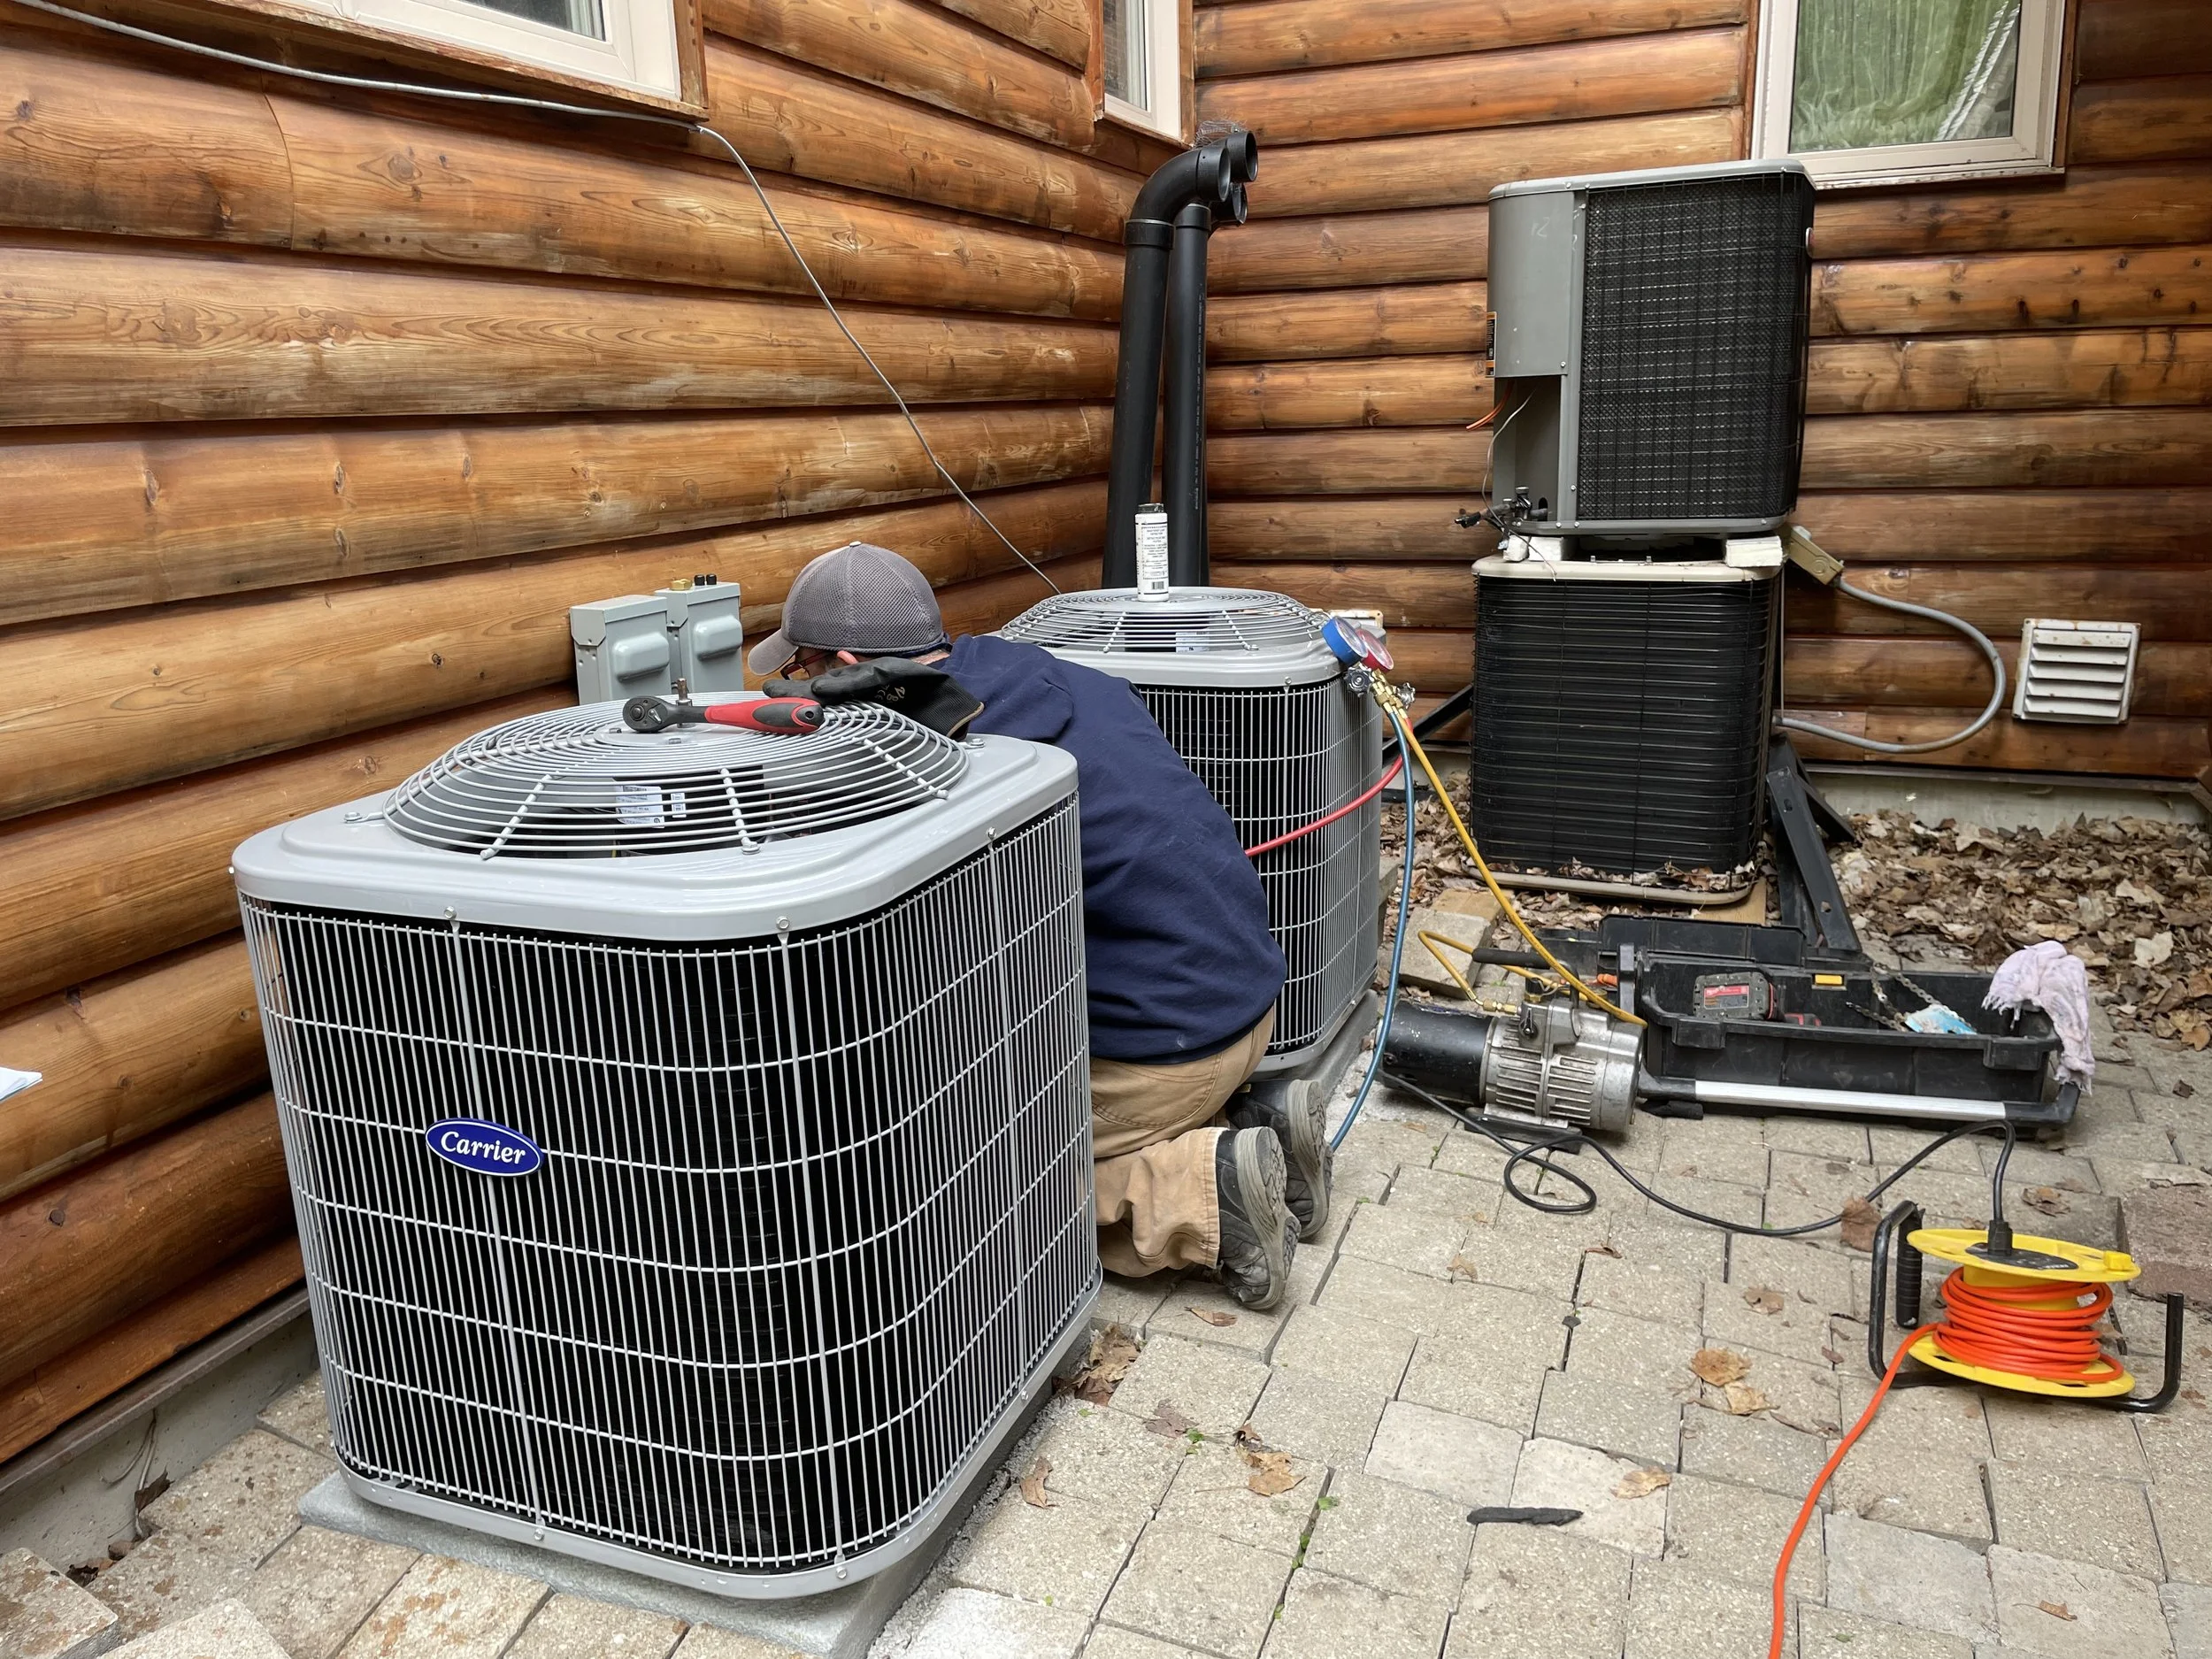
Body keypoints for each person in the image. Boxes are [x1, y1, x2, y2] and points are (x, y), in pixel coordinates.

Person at [748, 541, 1330, 1308]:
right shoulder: (1039, 674)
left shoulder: (956, 764)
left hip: (1167, 1054)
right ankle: (1264, 1122)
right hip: (1250, 1004)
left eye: (804, 671)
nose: (804, 691)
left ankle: (1201, 1197)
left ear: (850, 663)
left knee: (947, 1185)